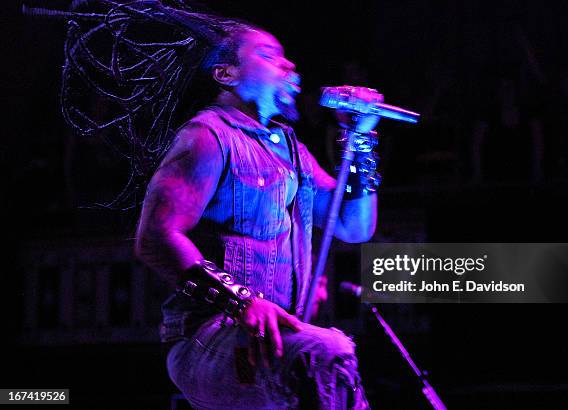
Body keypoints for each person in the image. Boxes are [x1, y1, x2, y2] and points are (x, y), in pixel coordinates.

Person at [134, 22, 382, 409]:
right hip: (209, 338)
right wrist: (243, 301)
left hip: (274, 340)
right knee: (327, 350)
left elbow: (354, 225)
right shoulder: (207, 135)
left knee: (321, 353)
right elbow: (156, 236)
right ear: (226, 74)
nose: (288, 65)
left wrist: (361, 140)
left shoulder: (291, 149)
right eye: (269, 55)